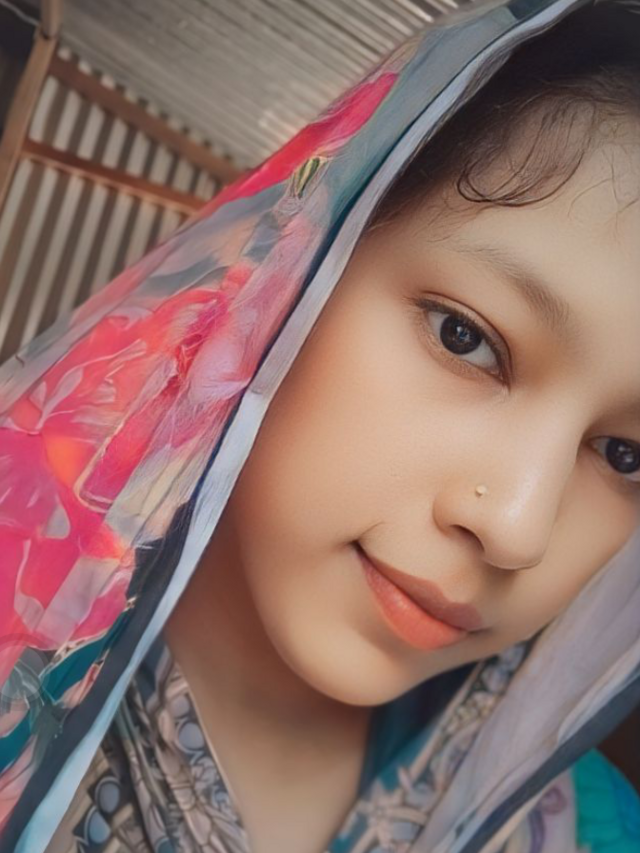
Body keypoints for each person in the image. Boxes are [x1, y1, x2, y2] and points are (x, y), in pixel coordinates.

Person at [0, 0, 638, 850]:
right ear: (290, 266)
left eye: (627, 454)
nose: (517, 527)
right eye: (465, 337)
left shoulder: (591, 831)